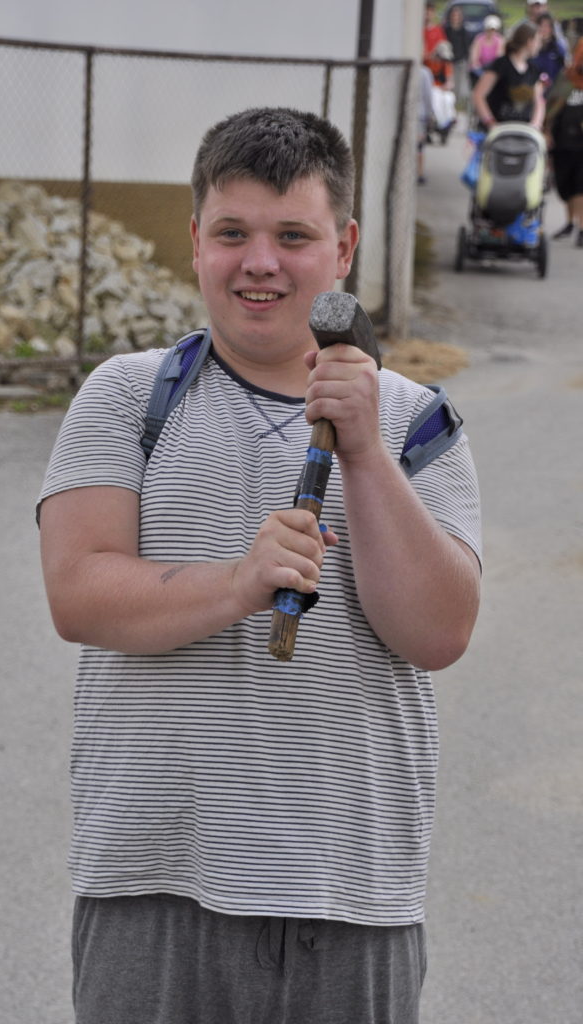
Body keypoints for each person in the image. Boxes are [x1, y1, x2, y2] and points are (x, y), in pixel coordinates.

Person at [38, 106, 482, 1024]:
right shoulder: (127, 396)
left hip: (350, 892)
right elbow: (78, 593)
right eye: (233, 233)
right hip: (151, 882)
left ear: (344, 247)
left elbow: (439, 632)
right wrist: (240, 583)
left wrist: (365, 453)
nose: (260, 263)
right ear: (196, 240)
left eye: (294, 236)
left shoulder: (418, 422)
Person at [472, 22, 545, 131]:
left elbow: (539, 101)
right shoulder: (501, 64)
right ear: (529, 42)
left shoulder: (533, 69)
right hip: (500, 130)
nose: (540, 45)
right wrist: (490, 122)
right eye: (538, 41)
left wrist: (536, 124)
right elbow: (478, 95)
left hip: (523, 132)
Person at [545, 37, 583, 245]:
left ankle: (581, 227)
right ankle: (570, 223)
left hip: (580, 144)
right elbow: (552, 105)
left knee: (580, 185)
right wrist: (547, 130)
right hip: (562, 141)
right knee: (564, 185)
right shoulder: (566, 77)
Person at [445, 4, 473, 110]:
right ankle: (449, 104)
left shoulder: (463, 31)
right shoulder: (446, 30)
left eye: (457, 15)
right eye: (453, 15)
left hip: (460, 61)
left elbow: (466, 46)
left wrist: (467, 59)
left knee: (459, 84)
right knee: (450, 83)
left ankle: (457, 104)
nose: (455, 18)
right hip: (449, 61)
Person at [534, 12, 567, 96]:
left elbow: (563, 72)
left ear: (552, 29)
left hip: (553, 93)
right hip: (533, 91)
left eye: (547, 26)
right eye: (541, 25)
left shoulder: (558, 49)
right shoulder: (531, 48)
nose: (543, 29)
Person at [469, 15, 505, 89]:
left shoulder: (499, 40)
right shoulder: (479, 39)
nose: (491, 32)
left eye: (493, 30)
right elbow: (474, 58)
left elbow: (499, 57)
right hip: (480, 69)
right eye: (489, 29)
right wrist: (480, 71)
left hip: (493, 69)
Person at [418, 62, 435, 183]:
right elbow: (428, 95)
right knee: (419, 146)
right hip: (420, 114)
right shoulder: (424, 72)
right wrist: (430, 114)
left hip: (410, 114)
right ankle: (419, 173)